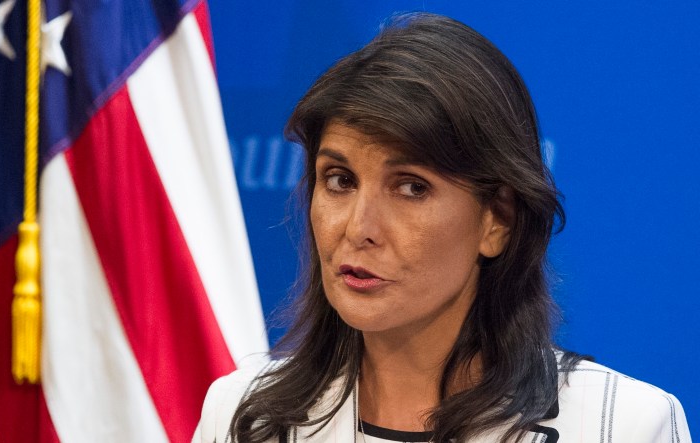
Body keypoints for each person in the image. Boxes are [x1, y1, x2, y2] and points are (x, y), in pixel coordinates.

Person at [193, 13, 692, 443]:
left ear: (497, 220)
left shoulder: (623, 424)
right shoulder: (243, 416)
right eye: (340, 180)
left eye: (411, 188)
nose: (359, 228)